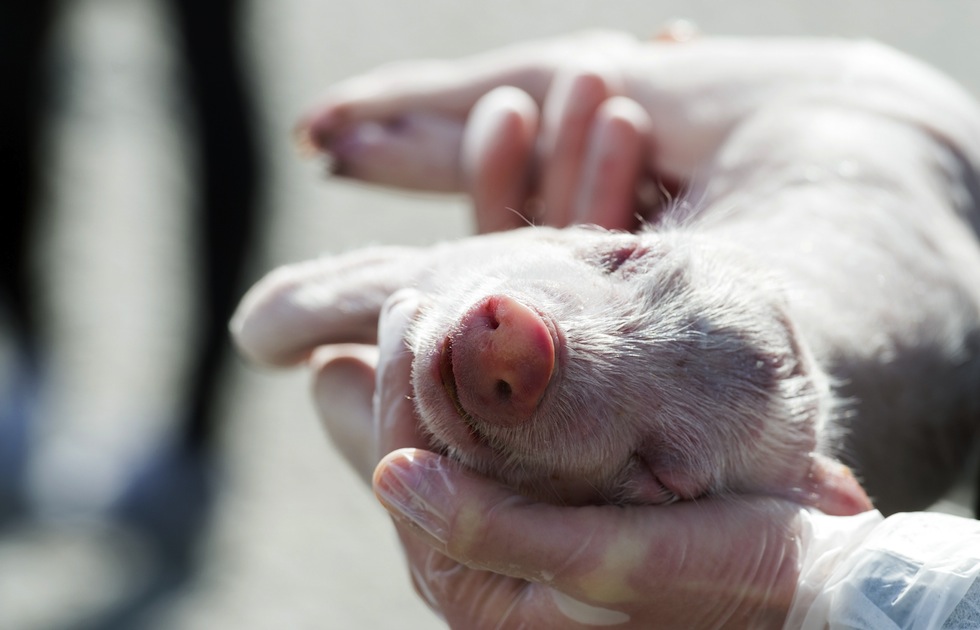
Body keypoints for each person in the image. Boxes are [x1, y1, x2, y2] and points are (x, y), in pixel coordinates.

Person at [235, 28, 980, 628]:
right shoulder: (839, 141)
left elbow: (279, 322)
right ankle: (460, 104)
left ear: (829, 513)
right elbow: (273, 316)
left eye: (660, 467)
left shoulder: (827, 534)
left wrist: (817, 581)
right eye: (623, 258)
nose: (527, 343)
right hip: (881, 116)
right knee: (603, 84)